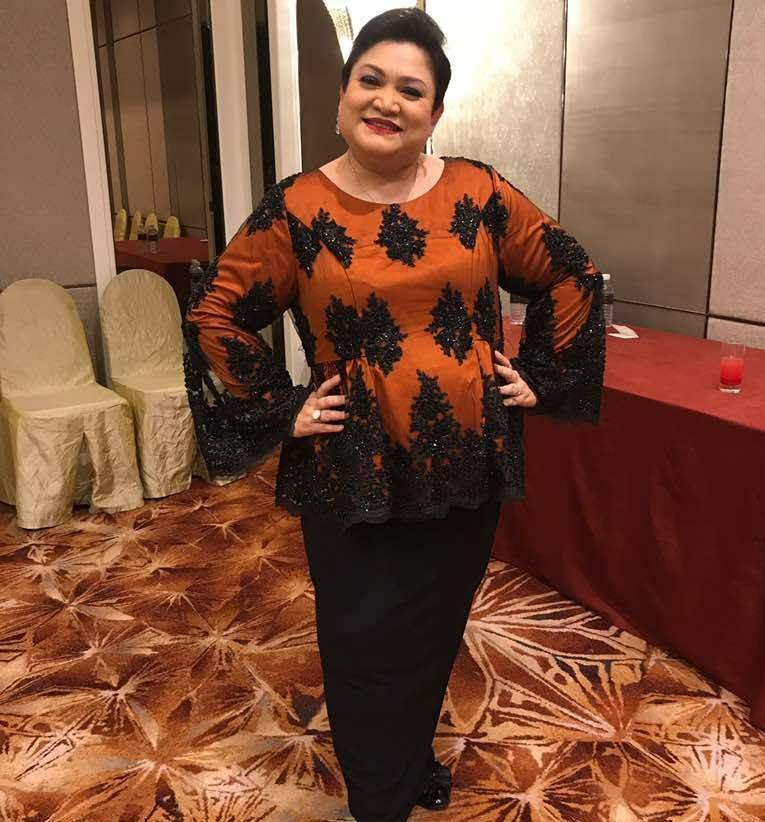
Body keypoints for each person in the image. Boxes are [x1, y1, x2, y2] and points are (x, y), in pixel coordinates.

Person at [183, 8, 605, 820]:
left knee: (431, 628)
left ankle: (407, 765)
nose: (387, 101)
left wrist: (542, 379)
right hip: (353, 464)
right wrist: (280, 408)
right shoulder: (296, 208)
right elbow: (215, 311)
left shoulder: (478, 191)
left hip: (464, 459)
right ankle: (379, 798)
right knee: (363, 637)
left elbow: (571, 272)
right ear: (342, 96)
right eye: (369, 80)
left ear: (434, 112)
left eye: (410, 90)